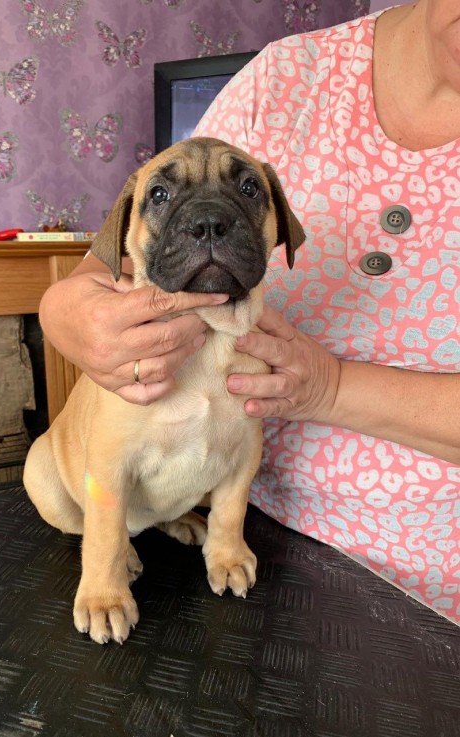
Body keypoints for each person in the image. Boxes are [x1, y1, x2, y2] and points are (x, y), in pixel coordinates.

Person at [38, 0, 460, 624]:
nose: (210, 220)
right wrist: (64, 307)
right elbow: (91, 290)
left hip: (417, 580)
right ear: (124, 231)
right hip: (231, 521)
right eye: (164, 197)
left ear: (280, 229)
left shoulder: (247, 346)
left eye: (244, 192)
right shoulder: (282, 76)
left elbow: (238, 451)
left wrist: (332, 386)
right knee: (58, 484)